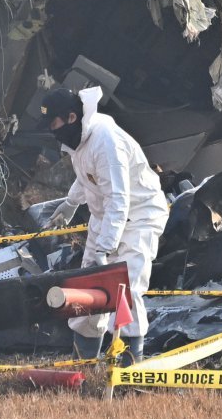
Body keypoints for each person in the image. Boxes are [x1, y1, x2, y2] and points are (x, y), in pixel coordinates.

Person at [41, 86, 168, 363]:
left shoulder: (105, 140)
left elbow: (118, 199)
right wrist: (71, 202)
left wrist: (105, 249)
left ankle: (129, 367)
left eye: (54, 123)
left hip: (139, 218)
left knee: (126, 290)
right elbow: (88, 174)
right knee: (89, 291)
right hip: (105, 218)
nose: (52, 130)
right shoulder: (81, 139)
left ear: (71, 117)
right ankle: (85, 362)